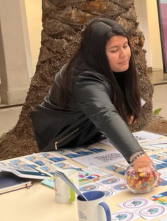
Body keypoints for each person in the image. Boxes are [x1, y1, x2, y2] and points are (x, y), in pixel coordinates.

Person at [30, 18, 154, 173]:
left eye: (125, 46)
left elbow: (126, 91)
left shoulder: (113, 65)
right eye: (114, 50)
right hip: (65, 141)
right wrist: (137, 157)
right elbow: (104, 113)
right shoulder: (82, 77)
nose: (124, 54)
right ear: (96, 52)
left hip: (94, 139)